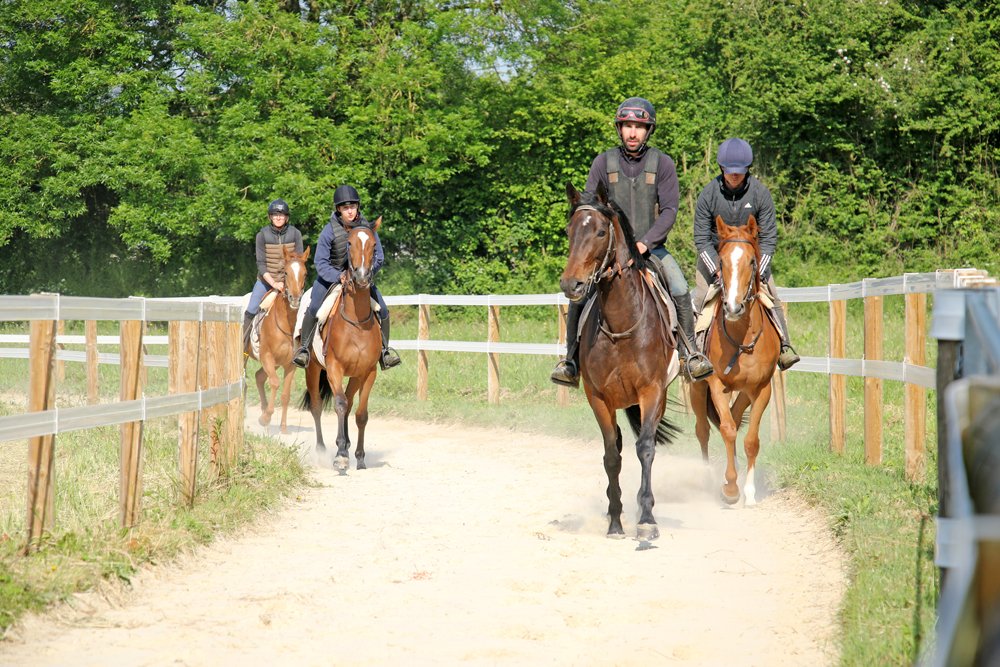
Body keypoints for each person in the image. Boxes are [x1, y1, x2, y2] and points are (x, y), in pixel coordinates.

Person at [550, 97, 714, 387]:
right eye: (627, 126)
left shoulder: (662, 163)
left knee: (678, 286)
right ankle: (571, 361)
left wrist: (646, 242)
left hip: (651, 249)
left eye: (639, 126)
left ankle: (690, 354)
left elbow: (669, 211)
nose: (633, 132)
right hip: (609, 252)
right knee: (581, 294)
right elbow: (589, 207)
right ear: (620, 129)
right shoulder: (603, 162)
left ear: (648, 130)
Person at [692, 137, 800, 370]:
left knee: (773, 297)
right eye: (729, 171)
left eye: (739, 171)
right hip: (716, 259)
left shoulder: (761, 194)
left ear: (747, 169)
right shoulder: (708, 195)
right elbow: (701, 238)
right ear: (721, 168)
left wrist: (758, 270)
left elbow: (769, 239)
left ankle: (784, 347)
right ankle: (695, 354)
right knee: (700, 298)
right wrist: (717, 270)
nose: (734, 175)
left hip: (750, 262)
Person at [292, 184, 401, 370]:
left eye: (352, 207)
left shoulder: (367, 229)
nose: (350, 211)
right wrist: (339, 276)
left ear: (357, 207)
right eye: (345, 208)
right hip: (330, 278)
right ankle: (304, 350)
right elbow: (320, 262)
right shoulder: (329, 230)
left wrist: (365, 273)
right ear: (338, 209)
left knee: (382, 309)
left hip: (361, 279)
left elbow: (379, 257)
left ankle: (384, 352)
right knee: (315, 308)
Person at [243, 198, 304, 351]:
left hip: (291, 282)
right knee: (251, 309)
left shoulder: (295, 234)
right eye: (275, 214)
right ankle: (243, 349)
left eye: (281, 215)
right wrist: (274, 283)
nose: (278, 217)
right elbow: (261, 264)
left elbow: (300, 261)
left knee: (306, 309)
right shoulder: (261, 235)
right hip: (266, 282)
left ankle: (305, 349)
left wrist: (289, 283)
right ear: (270, 217)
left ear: (286, 217)